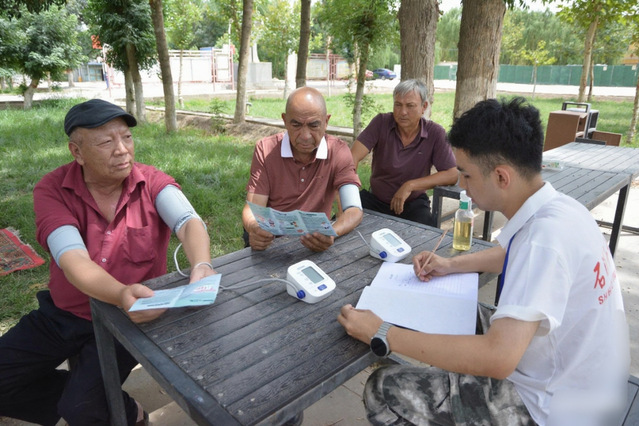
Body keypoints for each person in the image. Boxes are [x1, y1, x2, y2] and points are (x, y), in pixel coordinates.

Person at [338, 97, 630, 426]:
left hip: (556, 406)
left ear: (502, 177)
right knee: (455, 313)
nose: (461, 185)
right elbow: (511, 254)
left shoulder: (543, 241)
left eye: (466, 175)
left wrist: (382, 332)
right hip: (579, 374)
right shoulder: (560, 208)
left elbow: (499, 358)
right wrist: (450, 265)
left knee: (382, 388)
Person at [0, 99, 216, 426]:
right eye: (106, 142)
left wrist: (201, 264)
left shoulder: (151, 181)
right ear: (77, 152)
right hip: (66, 313)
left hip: (129, 320)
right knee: (65, 398)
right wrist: (120, 293)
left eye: (127, 137)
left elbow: (188, 222)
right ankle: (110, 406)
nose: (122, 150)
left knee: (82, 408)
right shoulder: (52, 189)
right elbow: (72, 258)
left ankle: (117, 412)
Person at [242, 86, 363, 252]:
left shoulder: (338, 151)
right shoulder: (266, 150)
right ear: (285, 120)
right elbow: (253, 208)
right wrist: (254, 228)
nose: (305, 136)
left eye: (314, 125)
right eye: (296, 125)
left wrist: (332, 233)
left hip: (315, 241)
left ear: (326, 121)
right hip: (273, 242)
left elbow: (354, 209)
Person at [350, 79, 458, 226]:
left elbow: (452, 174)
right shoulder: (381, 123)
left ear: (424, 107)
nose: (403, 112)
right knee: (342, 222)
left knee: (426, 232)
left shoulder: (435, 133)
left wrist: (410, 185)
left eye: (410, 106)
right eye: (398, 105)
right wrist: (349, 187)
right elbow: (352, 157)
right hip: (376, 201)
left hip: (413, 204)